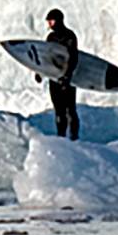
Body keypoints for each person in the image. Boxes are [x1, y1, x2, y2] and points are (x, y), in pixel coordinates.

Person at [44, 8, 80, 141]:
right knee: (59, 111)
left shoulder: (69, 36)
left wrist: (67, 76)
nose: (49, 24)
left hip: (68, 80)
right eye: (49, 22)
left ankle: (74, 138)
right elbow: (46, 57)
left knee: (70, 110)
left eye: (51, 21)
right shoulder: (51, 37)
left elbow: (73, 58)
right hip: (54, 78)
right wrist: (39, 72)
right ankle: (61, 138)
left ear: (59, 21)